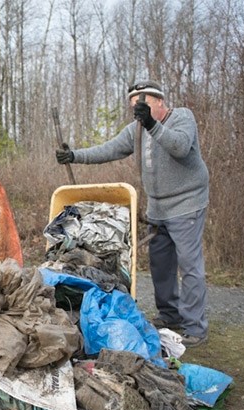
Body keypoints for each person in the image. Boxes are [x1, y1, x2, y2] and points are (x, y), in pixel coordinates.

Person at [55, 80, 210, 347]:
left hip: (187, 204)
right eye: (134, 107)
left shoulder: (182, 118)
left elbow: (180, 147)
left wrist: (152, 124)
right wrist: (74, 156)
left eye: (144, 104)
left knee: (190, 266)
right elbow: (109, 149)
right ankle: (169, 315)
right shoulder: (136, 131)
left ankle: (195, 328)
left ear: (160, 101)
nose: (138, 111)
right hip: (158, 207)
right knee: (161, 265)